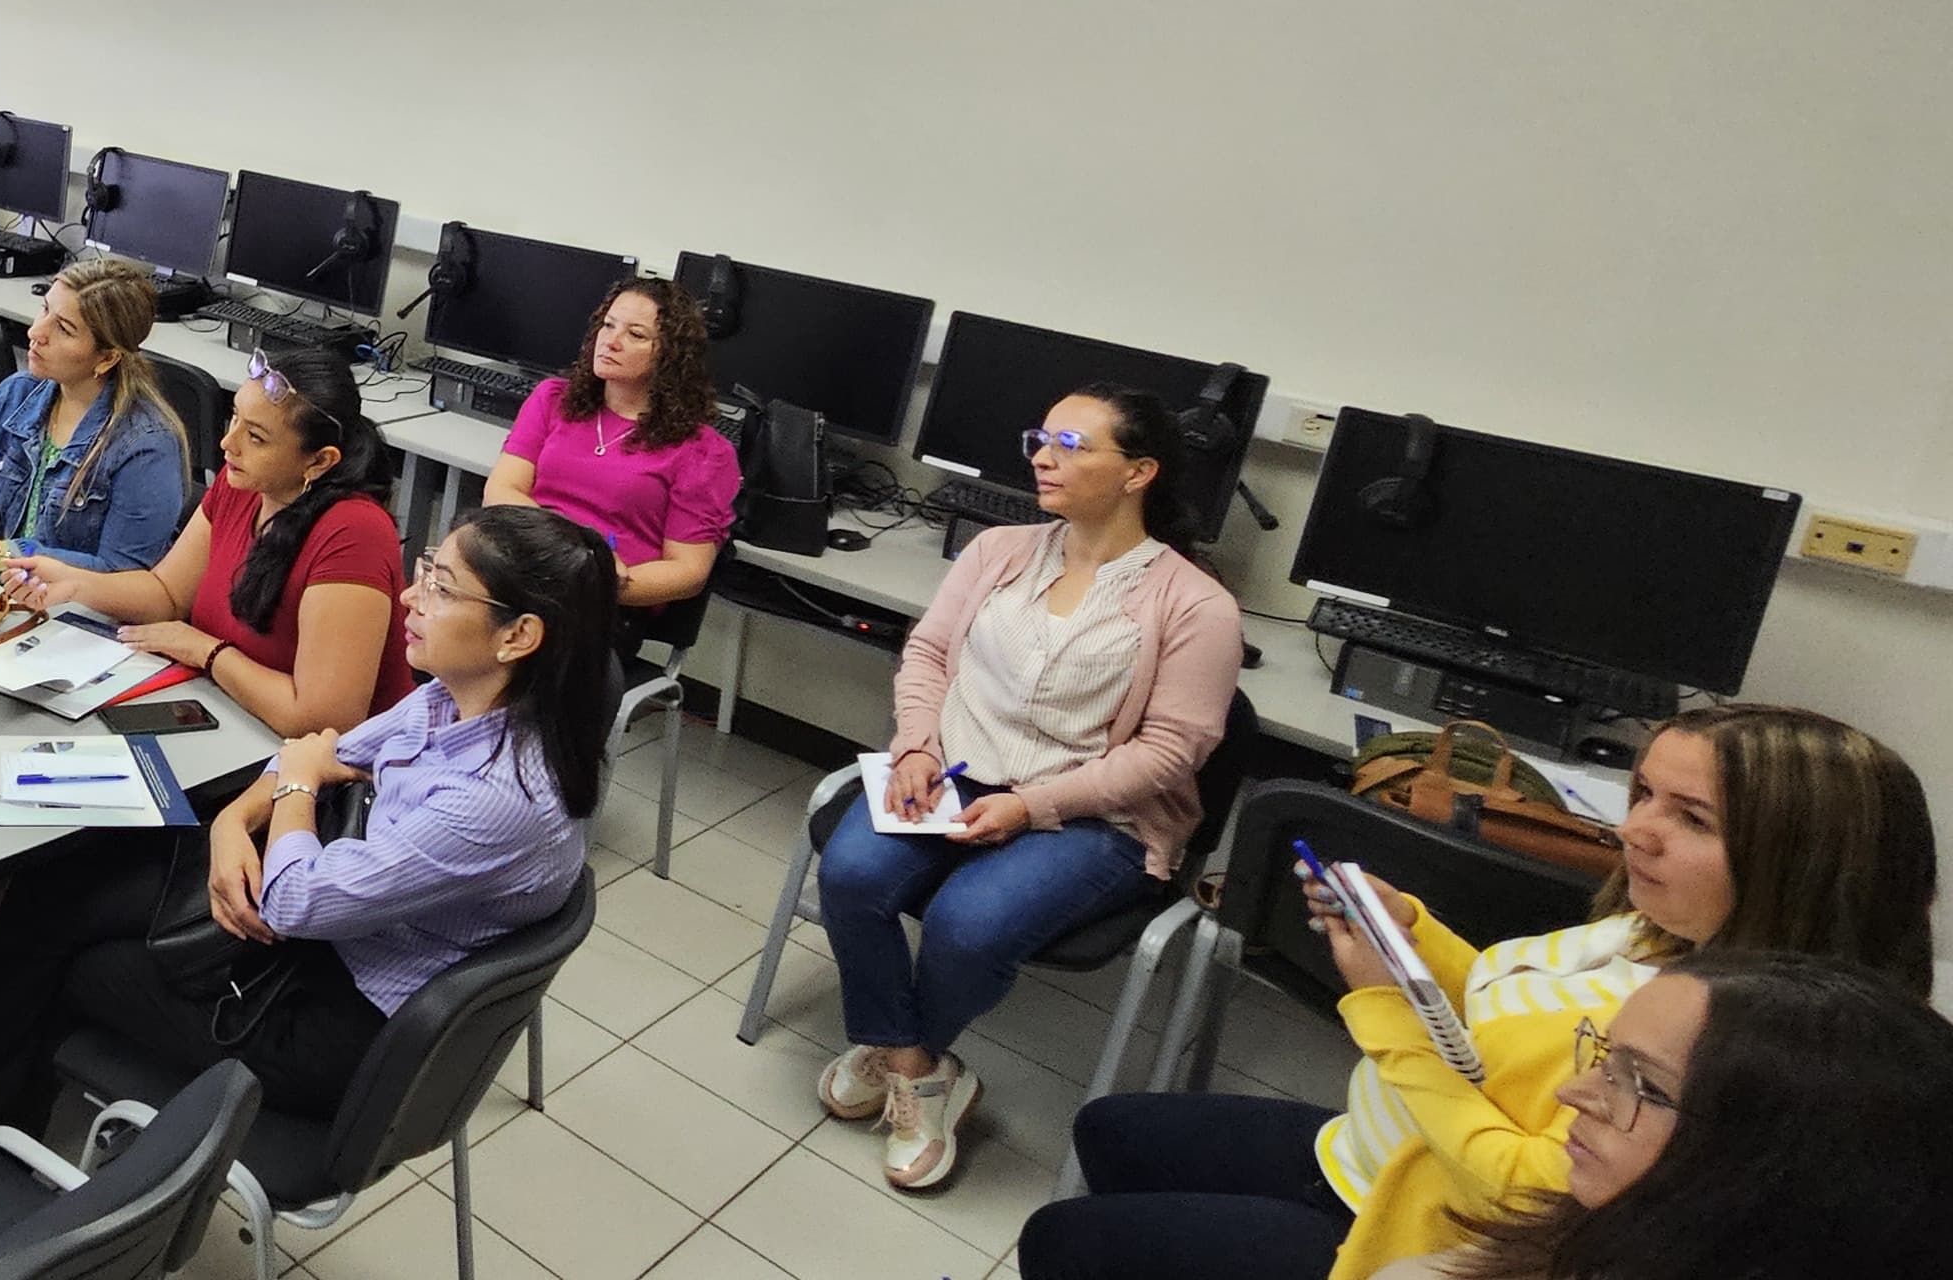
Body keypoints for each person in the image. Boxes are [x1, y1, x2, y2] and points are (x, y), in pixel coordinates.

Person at [1018, 703, 1938, 1280]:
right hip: (1382, 1151)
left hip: (1425, 1218)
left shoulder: (1743, 1045)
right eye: (1645, 794)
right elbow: (1508, 991)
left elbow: (1535, 1185)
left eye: (1690, 819)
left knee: (1070, 1242)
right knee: (1113, 1129)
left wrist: (1382, 1005)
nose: (1638, 834)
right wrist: (1412, 933)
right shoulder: (1649, 929)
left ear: (1804, 863)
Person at [0, 505, 615, 1147]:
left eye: (441, 588)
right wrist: (236, 823)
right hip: (329, 918)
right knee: (64, 885)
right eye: (424, 573)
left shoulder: (499, 795)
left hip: (340, 1018)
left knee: (72, 962)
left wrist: (294, 792)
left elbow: (301, 885)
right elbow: (326, 750)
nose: (411, 599)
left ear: (519, 636)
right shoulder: (456, 696)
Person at [814, 385, 1242, 1192]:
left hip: (1094, 815)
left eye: (1073, 446)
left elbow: (1169, 755)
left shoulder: (1196, 605)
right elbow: (930, 655)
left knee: (969, 925)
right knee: (852, 873)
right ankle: (917, 1065)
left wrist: (1032, 806)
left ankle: (902, 1055)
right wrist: (914, 747)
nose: (1043, 457)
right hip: (955, 772)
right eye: (1040, 437)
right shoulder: (1000, 550)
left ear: (1138, 473)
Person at [1384, 953, 1953, 1280]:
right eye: (1604, 1057)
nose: (1571, 1093)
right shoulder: (1592, 1236)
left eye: (1643, 1085)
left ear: (1784, 1162)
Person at [0, 341, 409, 734]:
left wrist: (205, 651)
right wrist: (73, 582)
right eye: (235, 418)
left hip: (322, 773)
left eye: (256, 437)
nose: (228, 444)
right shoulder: (242, 485)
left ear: (319, 461)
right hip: (232, 718)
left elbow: (324, 718)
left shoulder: (355, 533)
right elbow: (167, 594)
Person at [0, 257, 193, 575]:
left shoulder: (145, 446)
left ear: (107, 358)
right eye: (45, 310)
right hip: (3, 594)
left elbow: (121, 574)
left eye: (64, 329)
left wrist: (4, 554)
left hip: (76, 617)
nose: (35, 331)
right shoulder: (14, 396)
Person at [482, 277, 738, 625]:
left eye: (635, 335)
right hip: (525, 569)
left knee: (472, 635)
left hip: (604, 607)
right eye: (608, 325)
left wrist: (600, 580)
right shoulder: (553, 399)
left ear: (671, 356)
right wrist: (569, 548)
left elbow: (689, 571)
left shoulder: (703, 451)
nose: (611, 341)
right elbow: (500, 491)